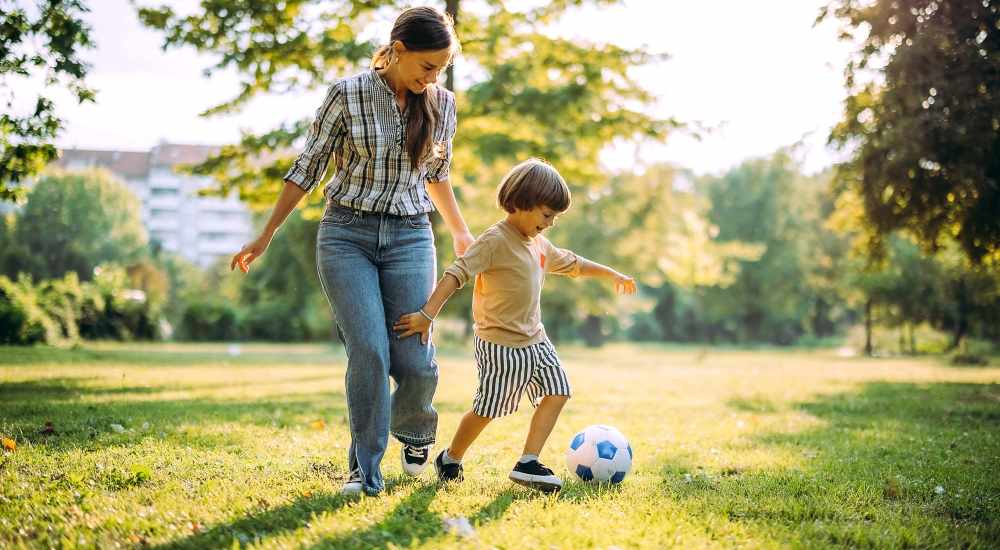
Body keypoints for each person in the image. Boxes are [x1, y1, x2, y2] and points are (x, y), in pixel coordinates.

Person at [230, 6, 474, 497]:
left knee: (416, 359)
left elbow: (437, 174)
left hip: (410, 236)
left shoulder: (441, 103)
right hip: (347, 235)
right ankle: (365, 472)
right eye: (427, 67)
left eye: (442, 69)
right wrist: (266, 234)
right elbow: (308, 168)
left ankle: (415, 430)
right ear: (397, 51)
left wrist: (461, 233)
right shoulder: (347, 94)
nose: (434, 77)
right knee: (368, 351)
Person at [393, 158, 637, 493]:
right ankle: (450, 457)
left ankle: (528, 462)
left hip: (536, 339)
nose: (550, 224)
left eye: (554, 217)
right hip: (499, 344)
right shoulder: (495, 241)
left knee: (558, 391)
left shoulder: (538, 243)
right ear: (522, 202)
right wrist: (427, 315)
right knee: (487, 409)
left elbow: (573, 264)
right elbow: (456, 274)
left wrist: (612, 274)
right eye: (547, 215)